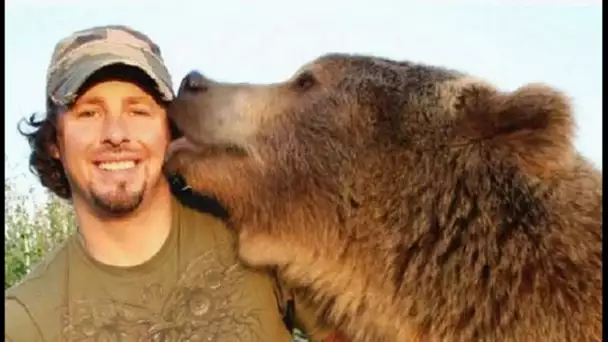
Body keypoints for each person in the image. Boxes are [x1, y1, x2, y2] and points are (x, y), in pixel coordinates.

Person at [4, 25, 344, 342]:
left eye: (138, 111)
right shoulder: (26, 320)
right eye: (89, 113)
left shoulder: (255, 233)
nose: (116, 135)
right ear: (54, 140)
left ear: (169, 128)